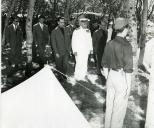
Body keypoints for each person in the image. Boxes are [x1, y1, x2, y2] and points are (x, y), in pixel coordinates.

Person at [102, 17, 133, 128]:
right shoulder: (127, 45)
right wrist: (128, 87)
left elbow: (104, 65)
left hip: (111, 75)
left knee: (109, 106)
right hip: (121, 77)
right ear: (125, 29)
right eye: (128, 28)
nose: (128, 30)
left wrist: (108, 78)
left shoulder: (110, 43)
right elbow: (128, 70)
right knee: (118, 110)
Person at [72, 15, 93, 80]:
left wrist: (91, 50)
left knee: (84, 63)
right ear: (81, 23)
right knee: (78, 63)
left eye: (86, 23)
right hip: (78, 51)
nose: (85, 24)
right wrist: (74, 50)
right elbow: (73, 41)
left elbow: (90, 41)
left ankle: (84, 74)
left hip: (86, 51)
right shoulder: (76, 31)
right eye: (84, 23)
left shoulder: (88, 31)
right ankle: (77, 75)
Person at [143, 38, 154, 128]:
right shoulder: (152, 42)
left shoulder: (152, 42)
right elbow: (145, 60)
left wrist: (149, 69)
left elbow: (145, 61)